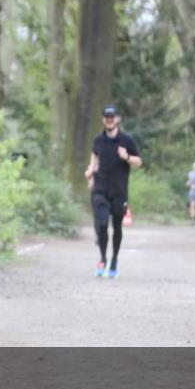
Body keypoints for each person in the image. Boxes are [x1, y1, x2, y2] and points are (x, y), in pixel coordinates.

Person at [84, 106, 142, 279]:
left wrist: (127, 157)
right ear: (103, 119)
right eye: (106, 117)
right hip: (100, 188)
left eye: (112, 117)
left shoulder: (127, 140)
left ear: (118, 119)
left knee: (117, 227)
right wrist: (90, 174)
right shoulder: (98, 140)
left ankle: (114, 260)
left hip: (119, 191)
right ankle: (103, 259)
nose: (109, 119)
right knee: (102, 224)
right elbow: (94, 159)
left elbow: (138, 162)